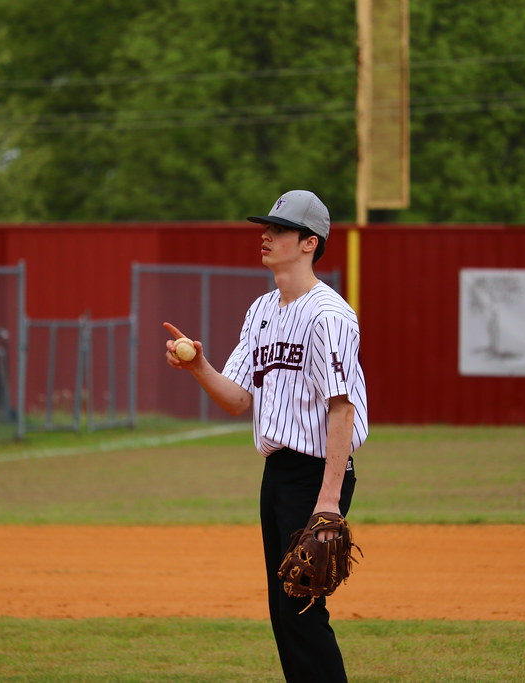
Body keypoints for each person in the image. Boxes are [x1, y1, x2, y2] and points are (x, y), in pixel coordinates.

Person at [163, 189, 368, 682]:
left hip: (317, 473)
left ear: (309, 243)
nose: (266, 235)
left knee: (302, 608)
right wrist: (198, 365)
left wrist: (328, 501)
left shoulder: (329, 315)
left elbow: (342, 409)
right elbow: (237, 398)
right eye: (267, 226)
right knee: (284, 611)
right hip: (278, 473)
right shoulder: (261, 312)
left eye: (279, 228)